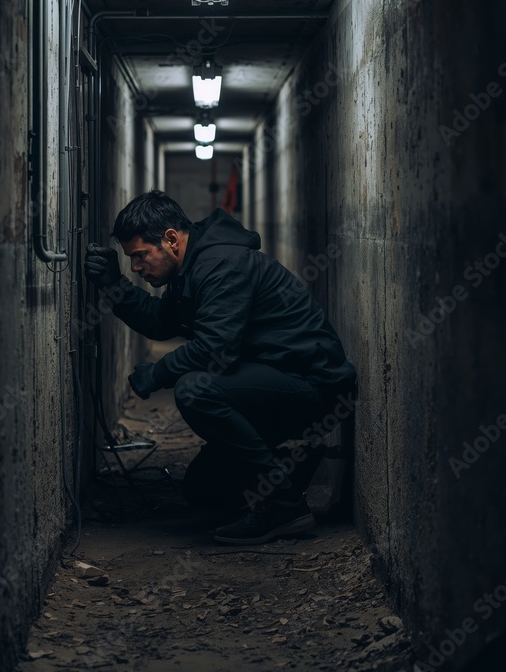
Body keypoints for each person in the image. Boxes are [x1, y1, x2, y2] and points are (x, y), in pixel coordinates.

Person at [84, 190, 356, 545]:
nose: (135, 267)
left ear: (170, 239)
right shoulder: (191, 267)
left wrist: (158, 373)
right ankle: (288, 465)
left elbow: (216, 349)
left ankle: (284, 504)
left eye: (139, 256)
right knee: (205, 490)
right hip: (273, 382)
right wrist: (113, 284)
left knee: (195, 389)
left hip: (314, 386)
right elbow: (161, 321)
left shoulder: (221, 264)